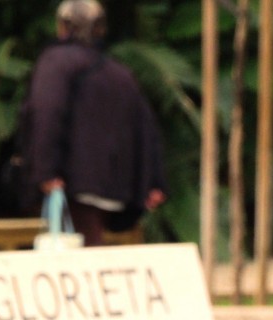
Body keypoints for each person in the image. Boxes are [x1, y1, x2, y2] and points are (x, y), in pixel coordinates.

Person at [17, 0, 167, 246]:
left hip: (75, 185)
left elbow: (47, 112)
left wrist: (46, 171)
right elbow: (147, 126)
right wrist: (153, 182)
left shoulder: (56, 62)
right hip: (114, 188)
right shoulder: (120, 73)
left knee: (80, 251)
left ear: (63, 27)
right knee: (92, 246)